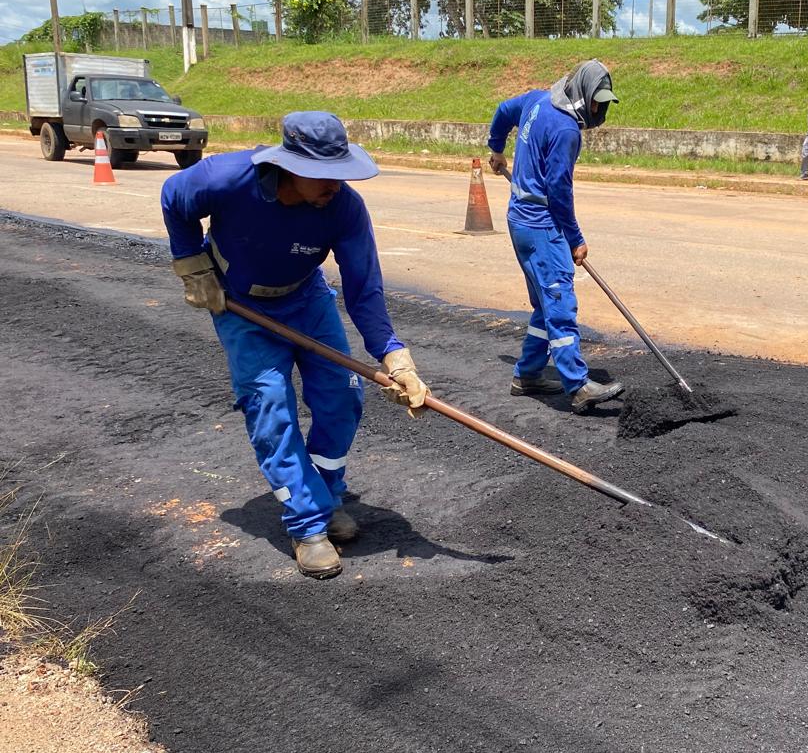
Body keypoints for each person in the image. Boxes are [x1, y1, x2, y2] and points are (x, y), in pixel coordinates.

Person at [161, 111, 429, 580]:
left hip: (307, 300)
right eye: (324, 175)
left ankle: (325, 496)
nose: (336, 185)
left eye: (341, 173)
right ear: (288, 166)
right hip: (242, 308)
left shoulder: (344, 208)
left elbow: (364, 288)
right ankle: (306, 525)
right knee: (269, 404)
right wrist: (192, 264)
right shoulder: (225, 178)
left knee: (342, 396)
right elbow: (173, 197)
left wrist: (394, 357)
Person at [486, 59, 624, 414]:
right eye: (596, 102)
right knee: (561, 303)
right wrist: (575, 238)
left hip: (520, 220)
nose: (598, 110)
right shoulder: (566, 130)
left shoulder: (536, 99)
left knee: (544, 305)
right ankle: (578, 386)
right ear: (582, 93)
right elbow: (559, 190)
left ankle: (528, 375)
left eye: (603, 104)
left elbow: (502, 111)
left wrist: (496, 147)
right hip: (541, 226)